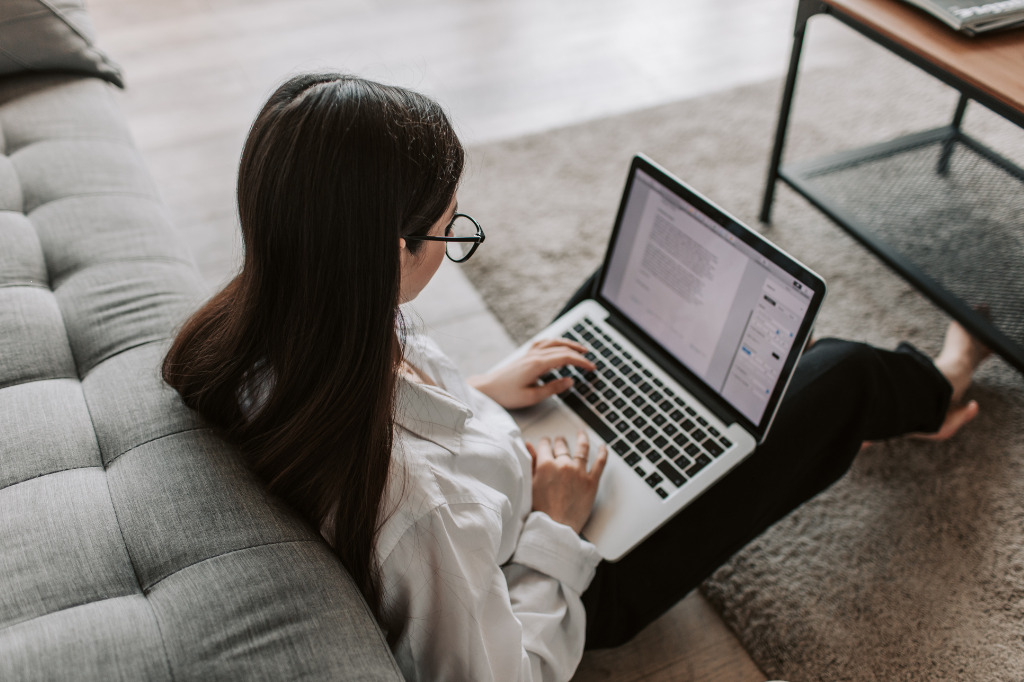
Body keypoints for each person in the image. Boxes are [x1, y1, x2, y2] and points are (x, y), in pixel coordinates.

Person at [162, 73, 990, 681]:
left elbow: (391, 425)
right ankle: (940, 386)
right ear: (390, 252)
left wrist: (482, 392)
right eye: (452, 235)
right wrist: (558, 527)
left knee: (612, 308)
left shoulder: (272, 324)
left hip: (506, 473)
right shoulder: (416, 514)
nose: (454, 245)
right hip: (571, 568)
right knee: (835, 376)